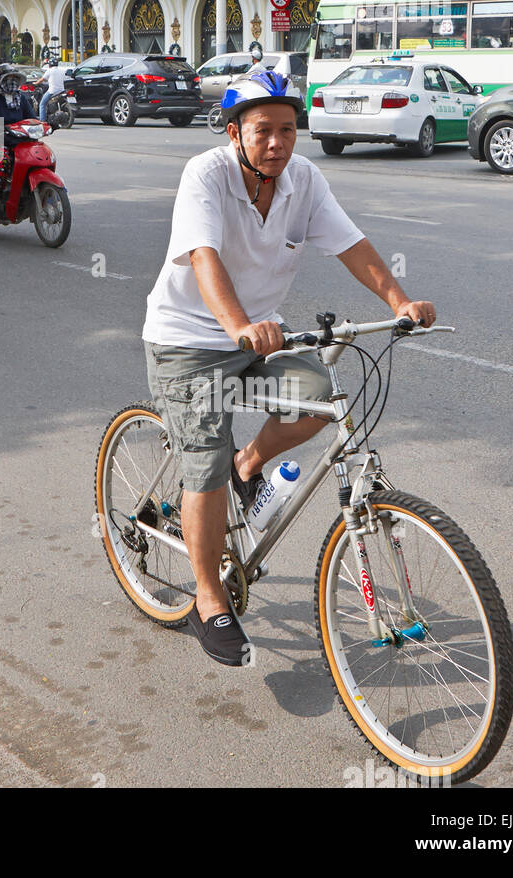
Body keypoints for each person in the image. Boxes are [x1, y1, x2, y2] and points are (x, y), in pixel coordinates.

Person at [141, 71, 436, 668]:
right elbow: (205, 256)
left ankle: (248, 465)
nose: (277, 143)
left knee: (320, 397)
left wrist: (398, 302)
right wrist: (238, 325)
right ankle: (206, 597)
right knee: (204, 461)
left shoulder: (304, 180)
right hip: (190, 341)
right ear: (235, 133)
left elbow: (351, 245)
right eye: (263, 132)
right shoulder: (206, 175)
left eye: (287, 130)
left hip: (256, 339)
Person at [0, 65, 38, 197]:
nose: (12, 82)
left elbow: (32, 118)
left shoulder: (21, 98)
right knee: (3, 163)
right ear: (0, 80)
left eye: (14, 78)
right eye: (8, 78)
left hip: (21, 140)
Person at [36, 58, 69, 124]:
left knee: (42, 104)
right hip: (61, 90)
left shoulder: (49, 71)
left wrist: (36, 83)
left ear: (50, 64)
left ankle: (42, 121)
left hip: (52, 91)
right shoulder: (62, 71)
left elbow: (42, 79)